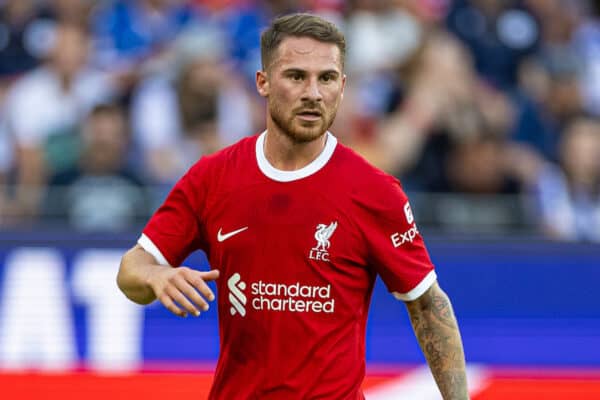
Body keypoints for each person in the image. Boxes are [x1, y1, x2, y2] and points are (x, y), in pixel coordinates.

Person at [117, 13, 469, 399]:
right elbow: (131, 270)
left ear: (343, 86)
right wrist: (155, 278)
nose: (313, 93)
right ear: (263, 82)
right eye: (297, 76)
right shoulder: (212, 178)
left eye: (327, 78)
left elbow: (428, 305)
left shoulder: (375, 192)